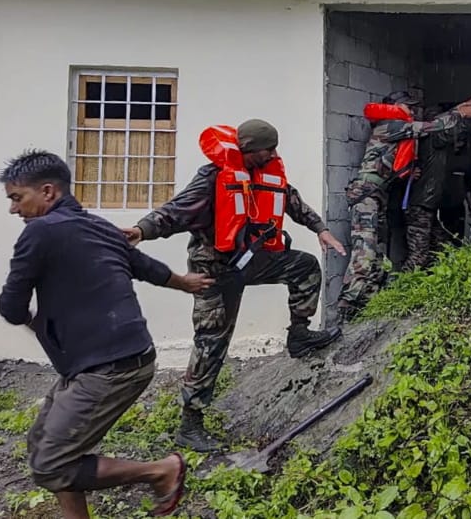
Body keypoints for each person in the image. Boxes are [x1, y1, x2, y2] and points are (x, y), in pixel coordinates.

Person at [0, 150, 214, 519]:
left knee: (51, 465)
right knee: (43, 445)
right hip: (114, 358)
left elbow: (11, 307)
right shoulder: (99, 227)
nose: (14, 210)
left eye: (17, 198)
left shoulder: (39, 232)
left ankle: (162, 471)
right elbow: (143, 265)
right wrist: (183, 282)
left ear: (48, 192)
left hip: (110, 367)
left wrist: (39, 324)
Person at [122, 119, 347, 452]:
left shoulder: (265, 171)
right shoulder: (213, 177)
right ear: (248, 149)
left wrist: (320, 229)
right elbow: (175, 212)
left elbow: (291, 200)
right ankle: (190, 424)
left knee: (304, 266)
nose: (274, 153)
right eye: (268, 148)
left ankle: (299, 335)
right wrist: (141, 230)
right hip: (212, 270)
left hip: (249, 260)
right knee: (212, 342)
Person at [337, 91, 471, 321]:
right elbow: (429, 127)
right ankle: (345, 308)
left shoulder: (395, 131)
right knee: (364, 253)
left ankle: (368, 307)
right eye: (408, 107)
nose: (412, 111)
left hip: (378, 197)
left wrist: (404, 173)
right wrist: (459, 112)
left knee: (377, 256)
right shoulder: (390, 125)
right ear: (395, 106)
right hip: (367, 197)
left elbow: (385, 166)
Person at [402, 105, 459, 271]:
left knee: (441, 250)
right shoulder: (434, 136)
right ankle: (395, 291)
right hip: (421, 204)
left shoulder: (429, 137)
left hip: (428, 203)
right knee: (418, 257)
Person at [433, 128, 471, 248]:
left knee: (459, 236)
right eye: (457, 140)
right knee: (443, 234)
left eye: (462, 141)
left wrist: (470, 204)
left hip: (458, 203)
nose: (459, 144)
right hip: (443, 203)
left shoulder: (466, 160)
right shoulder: (443, 157)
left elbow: (467, 184)